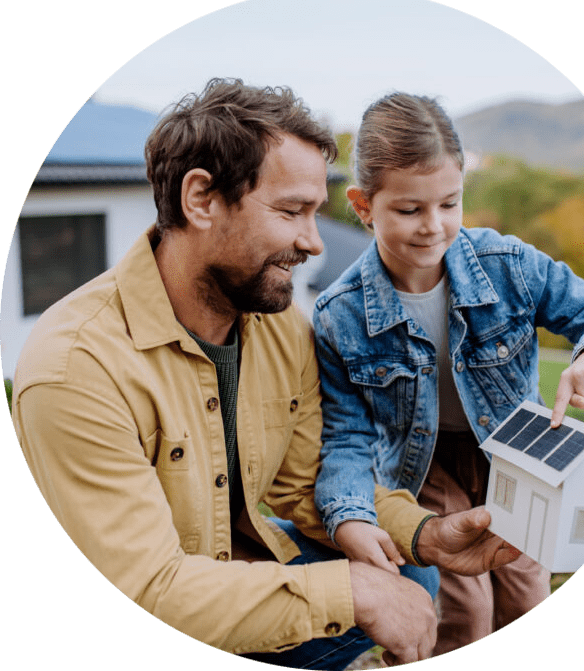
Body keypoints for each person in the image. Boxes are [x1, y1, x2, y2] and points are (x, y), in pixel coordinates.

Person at [11, 79, 521, 670]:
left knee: (408, 571)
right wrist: (352, 592)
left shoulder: (276, 325)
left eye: (315, 212)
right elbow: (142, 592)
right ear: (201, 199)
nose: (311, 241)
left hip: (227, 571)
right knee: (372, 589)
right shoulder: (76, 368)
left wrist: (425, 534)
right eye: (290, 212)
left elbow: (307, 482)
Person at [313, 92, 584, 655]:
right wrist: (350, 515)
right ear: (363, 205)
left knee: (526, 595)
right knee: (464, 612)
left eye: (450, 204)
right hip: (424, 471)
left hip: (515, 453)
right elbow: (345, 438)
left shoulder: (509, 265)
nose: (433, 226)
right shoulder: (340, 315)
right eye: (409, 210)